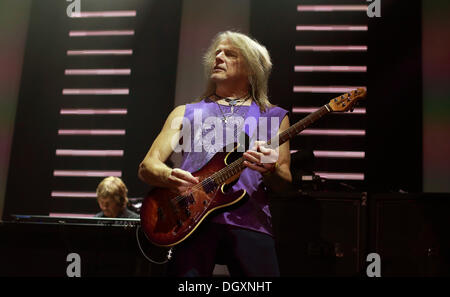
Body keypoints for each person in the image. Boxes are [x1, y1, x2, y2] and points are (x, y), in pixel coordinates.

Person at [138, 31, 292, 277]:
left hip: (250, 220)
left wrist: (270, 170)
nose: (218, 57)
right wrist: (169, 176)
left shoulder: (274, 116)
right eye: (217, 52)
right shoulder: (184, 112)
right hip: (191, 219)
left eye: (229, 54)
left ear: (251, 69)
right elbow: (147, 166)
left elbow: (285, 182)